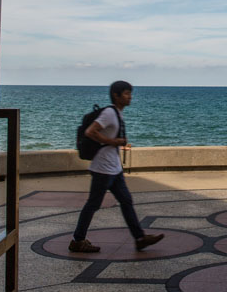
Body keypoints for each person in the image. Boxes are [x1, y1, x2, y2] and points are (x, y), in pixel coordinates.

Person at [69, 81, 165, 253]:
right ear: (116, 95)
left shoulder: (118, 114)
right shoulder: (109, 113)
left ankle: (140, 238)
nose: (130, 97)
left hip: (114, 168)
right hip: (102, 168)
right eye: (127, 93)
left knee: (126, 201)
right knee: (93, 204)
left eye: (130, 93)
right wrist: (113, 142)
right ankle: (77, 240)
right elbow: (90, 131)